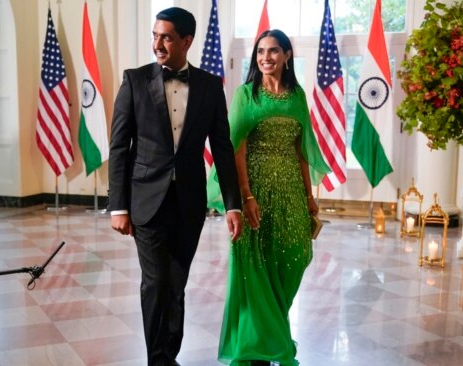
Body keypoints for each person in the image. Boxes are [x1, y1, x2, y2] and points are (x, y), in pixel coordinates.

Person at [108, 7, 242, 366]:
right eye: (155, 36)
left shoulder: (211, 86)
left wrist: (233, 204)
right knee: (156, 282)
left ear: (186, 40)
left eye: (166, 37)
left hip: (190, 203)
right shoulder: (134, 81)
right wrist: (117, 206)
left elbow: (223, 148)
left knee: (176, 284)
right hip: (146, 201)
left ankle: (168, 353)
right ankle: (158, 360)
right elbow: (120, 146)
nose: (158, 44)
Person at [214, 30, 330, 366]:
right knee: (255, 263)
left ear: (287, 55)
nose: (266, 57)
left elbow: (302, 149)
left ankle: (271, 331)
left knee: (295, 256)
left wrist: (309, 195)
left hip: (292, 190)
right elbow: (236, 149)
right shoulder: (246, 95)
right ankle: (262, 343)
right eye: (260, 52)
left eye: (273, 51)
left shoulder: (297, 96)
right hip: (256, 191)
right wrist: (245, 195)